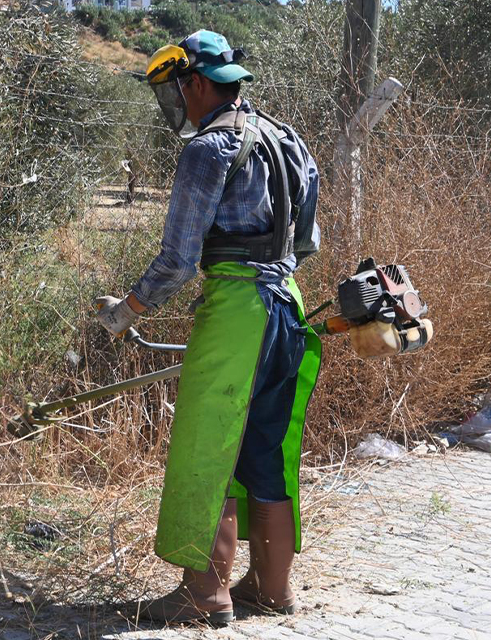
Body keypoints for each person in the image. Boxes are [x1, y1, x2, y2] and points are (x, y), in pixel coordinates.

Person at [93, 30, 322, 627]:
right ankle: (271, 590)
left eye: (176, 93)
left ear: (196, 83)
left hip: (238, 310)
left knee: (207, 443)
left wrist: (128, 312)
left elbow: (176, 258)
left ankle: (203, 593)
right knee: (267, 445)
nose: (177, 106)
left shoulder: (208, 147)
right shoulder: (288, 139)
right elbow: (307, 242)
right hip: (288, 307)